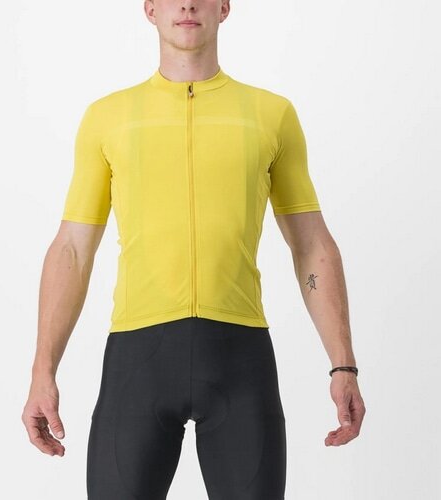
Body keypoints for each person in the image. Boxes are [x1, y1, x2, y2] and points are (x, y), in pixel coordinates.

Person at [22, 1, 366, 498]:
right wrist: (42, 371)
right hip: (137, 361)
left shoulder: (271, 114)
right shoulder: (108, 117)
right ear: (150, 9)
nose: (186, 4)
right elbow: (72, 250)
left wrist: (343, 364)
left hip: (240, 361)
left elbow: (312, 245)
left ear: (224, 7)